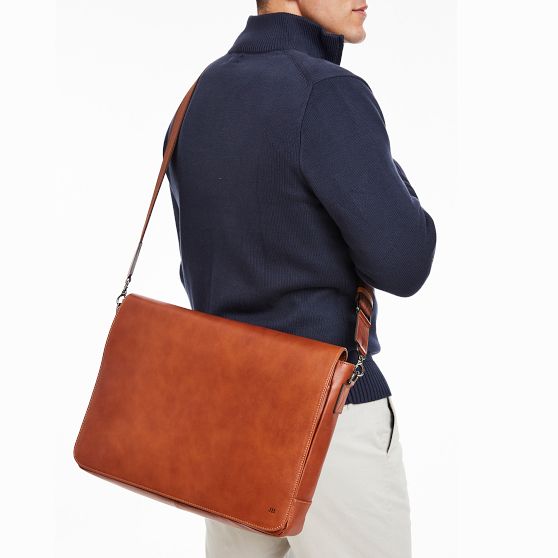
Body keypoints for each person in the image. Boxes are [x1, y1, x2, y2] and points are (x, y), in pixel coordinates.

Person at [164, 2, 437, 556]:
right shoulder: (327, 93)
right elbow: (406, 262)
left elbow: (199, 269)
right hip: (330, 421)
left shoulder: (200, 93)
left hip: (226, 417)